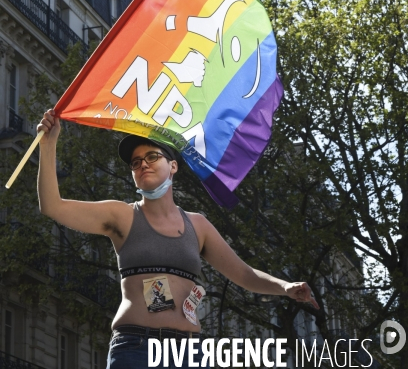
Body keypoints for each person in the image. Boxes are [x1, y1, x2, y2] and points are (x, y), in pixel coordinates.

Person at [37, 109, 319, 369]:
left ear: (173, 166)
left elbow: (243, 274)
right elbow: (53, 206)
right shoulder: (121, 215)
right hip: (136, 349)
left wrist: (285, 287)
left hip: (190, 354)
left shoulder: (198, 225)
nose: (142, 165)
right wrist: (48, 145)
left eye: (151, 157)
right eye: (136, 163)